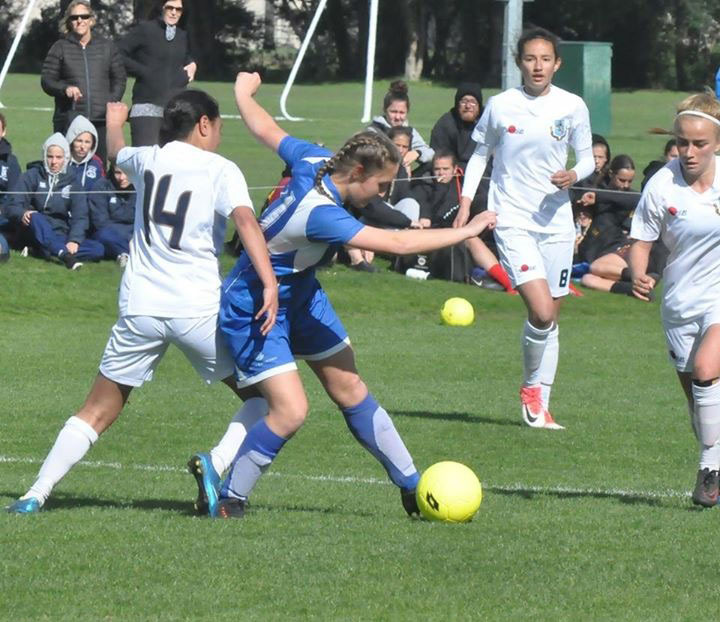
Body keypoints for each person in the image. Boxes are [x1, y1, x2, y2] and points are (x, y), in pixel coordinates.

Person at [189, 72, 496, 519]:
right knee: (291, 411)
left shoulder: (314, 158)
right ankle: (229, 497)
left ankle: (412, 488)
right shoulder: (322, 215)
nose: (384, 194)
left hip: (301, 295)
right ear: (356, 173)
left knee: (350, 387)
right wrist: (466, 230)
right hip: (257, 305)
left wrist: (242, 93)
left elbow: (263, 127)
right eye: (381, 185)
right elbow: (398, 244)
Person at [6, 90, 278, 514]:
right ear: (204, 124)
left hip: (141, 307)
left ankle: (34, 494)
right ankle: (216, 462)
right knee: (269, 401)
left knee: (96, 410)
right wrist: (269, 282)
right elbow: (246, 222)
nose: (221, 134)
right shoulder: (222, 169)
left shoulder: (149, 159)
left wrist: (114, 121)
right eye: (220, 125)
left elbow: (115, 152)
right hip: (196, 310)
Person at [457, 27, 594, 430]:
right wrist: (466, 201)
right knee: (540, 309)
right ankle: (532, 390)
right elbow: (481, 154)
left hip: (556, 222)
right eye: (530, 58)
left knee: (550, 316)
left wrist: (572, 173)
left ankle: (540, 404)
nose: (538, 66)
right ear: (519, 62)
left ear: (557, 63)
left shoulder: (572, 106)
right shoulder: (502, 105)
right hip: (513, 218)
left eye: (545, 59)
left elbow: (586, 158)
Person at [629, 91, 720, 508]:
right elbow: (642, 241)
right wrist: (638, 273)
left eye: (699, 143)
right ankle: (713, 453)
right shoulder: (661, 184)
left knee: (706, 371)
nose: (689, 151)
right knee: (697, 402)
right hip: (679, 304)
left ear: (717, 142)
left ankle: (709, 469)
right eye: (682, 141)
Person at [40, 0, 126, 164]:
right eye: (74, 17)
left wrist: (110, 102)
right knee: (67, 169)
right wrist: (65, 88)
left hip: (100, 120)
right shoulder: (60, 47)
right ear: (69, 22)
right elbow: (47, 80)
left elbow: (119, 79)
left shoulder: (107, 47)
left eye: (84, 16)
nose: (80, 20)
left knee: (99, 168)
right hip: (69, 119)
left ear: (91, 20)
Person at [5, 133, 104, 270]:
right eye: (50, 156)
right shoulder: (31, 176)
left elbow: (80, 216)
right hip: (33, 229)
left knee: (98, 249)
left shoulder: (73, 181)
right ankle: (64, 255)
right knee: (36, 217)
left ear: (66, 158)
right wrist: (22, 213)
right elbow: (12, 205)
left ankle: (44, 250)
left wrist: (74, 240)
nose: (54, 162)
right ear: (44, 156)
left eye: (59, 157)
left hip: (59, 232)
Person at [119, 0, 197, 147]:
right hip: (146, 109)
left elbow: (182, 56)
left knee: (171, 166)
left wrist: (192, 64)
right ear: (162, 8)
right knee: (146, 163)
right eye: (170, 8)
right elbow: (118, 53)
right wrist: (143, 71)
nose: (174, 12)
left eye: (178, 9)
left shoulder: (182, 36)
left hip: (175, 111)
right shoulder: (145, 30)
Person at [367, 80, 434, 172]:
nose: (398, 117)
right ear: (384, 110)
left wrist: (418, 153)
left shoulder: (409, 131)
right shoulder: (373, 131)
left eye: (402, 112)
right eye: (393, 112)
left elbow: (430, 153)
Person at [430, 82, 484, 171]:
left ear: (479, 106)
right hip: (452, 172)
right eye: (464, 101)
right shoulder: (446, 124)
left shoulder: (487, 123)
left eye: (473, 102)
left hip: (483, 171)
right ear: (457, 104)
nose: (468, 106)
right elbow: (438, 156)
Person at [89, 164, 135, 266]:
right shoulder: (101, 186)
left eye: (127, 173)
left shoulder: (141, 187)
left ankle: (123, 253)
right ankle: (128, 254)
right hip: (109, 232)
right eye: (118, 173)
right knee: (103, 236)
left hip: (133, 232)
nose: (122, 178)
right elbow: (100, 222)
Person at [65, 115, 106, 189]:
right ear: (71, 140)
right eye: (79, 141)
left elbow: (101, 189)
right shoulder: (62, 161)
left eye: (87, 142)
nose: (82, 147)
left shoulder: (96, 162)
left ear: (93, 143)